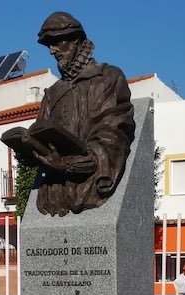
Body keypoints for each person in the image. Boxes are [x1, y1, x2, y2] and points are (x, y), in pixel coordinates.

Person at [13, 11, 135, 216]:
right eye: (48, 45)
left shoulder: (108, 78)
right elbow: (42, 134)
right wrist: (29, 149)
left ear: (77, 40)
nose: (52, 51)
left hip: (90, 184)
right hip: (54, 192)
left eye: (57, 42)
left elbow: (113, 135)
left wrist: (70, 163)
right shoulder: (52, 94)